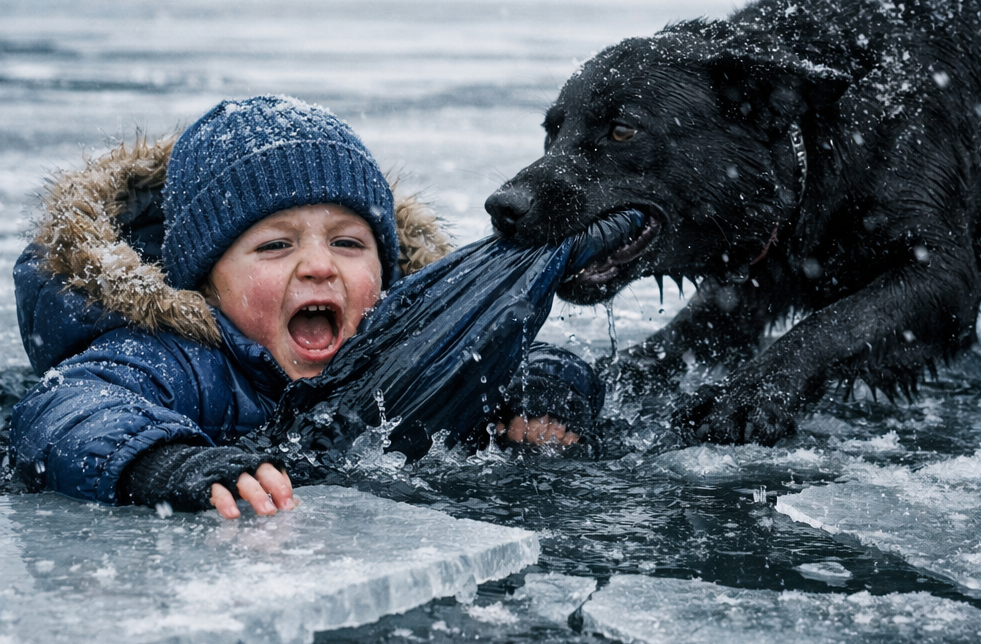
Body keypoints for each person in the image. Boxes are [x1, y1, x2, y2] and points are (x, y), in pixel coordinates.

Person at [11, 96, 599, 519]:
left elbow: (518, 353)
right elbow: (68, 405)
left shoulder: (403, 339)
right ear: (205, 283)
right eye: (275, 246)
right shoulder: (180, 358)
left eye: (347, 243)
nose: (320, 266)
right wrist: (164, 460)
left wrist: (543, 390)